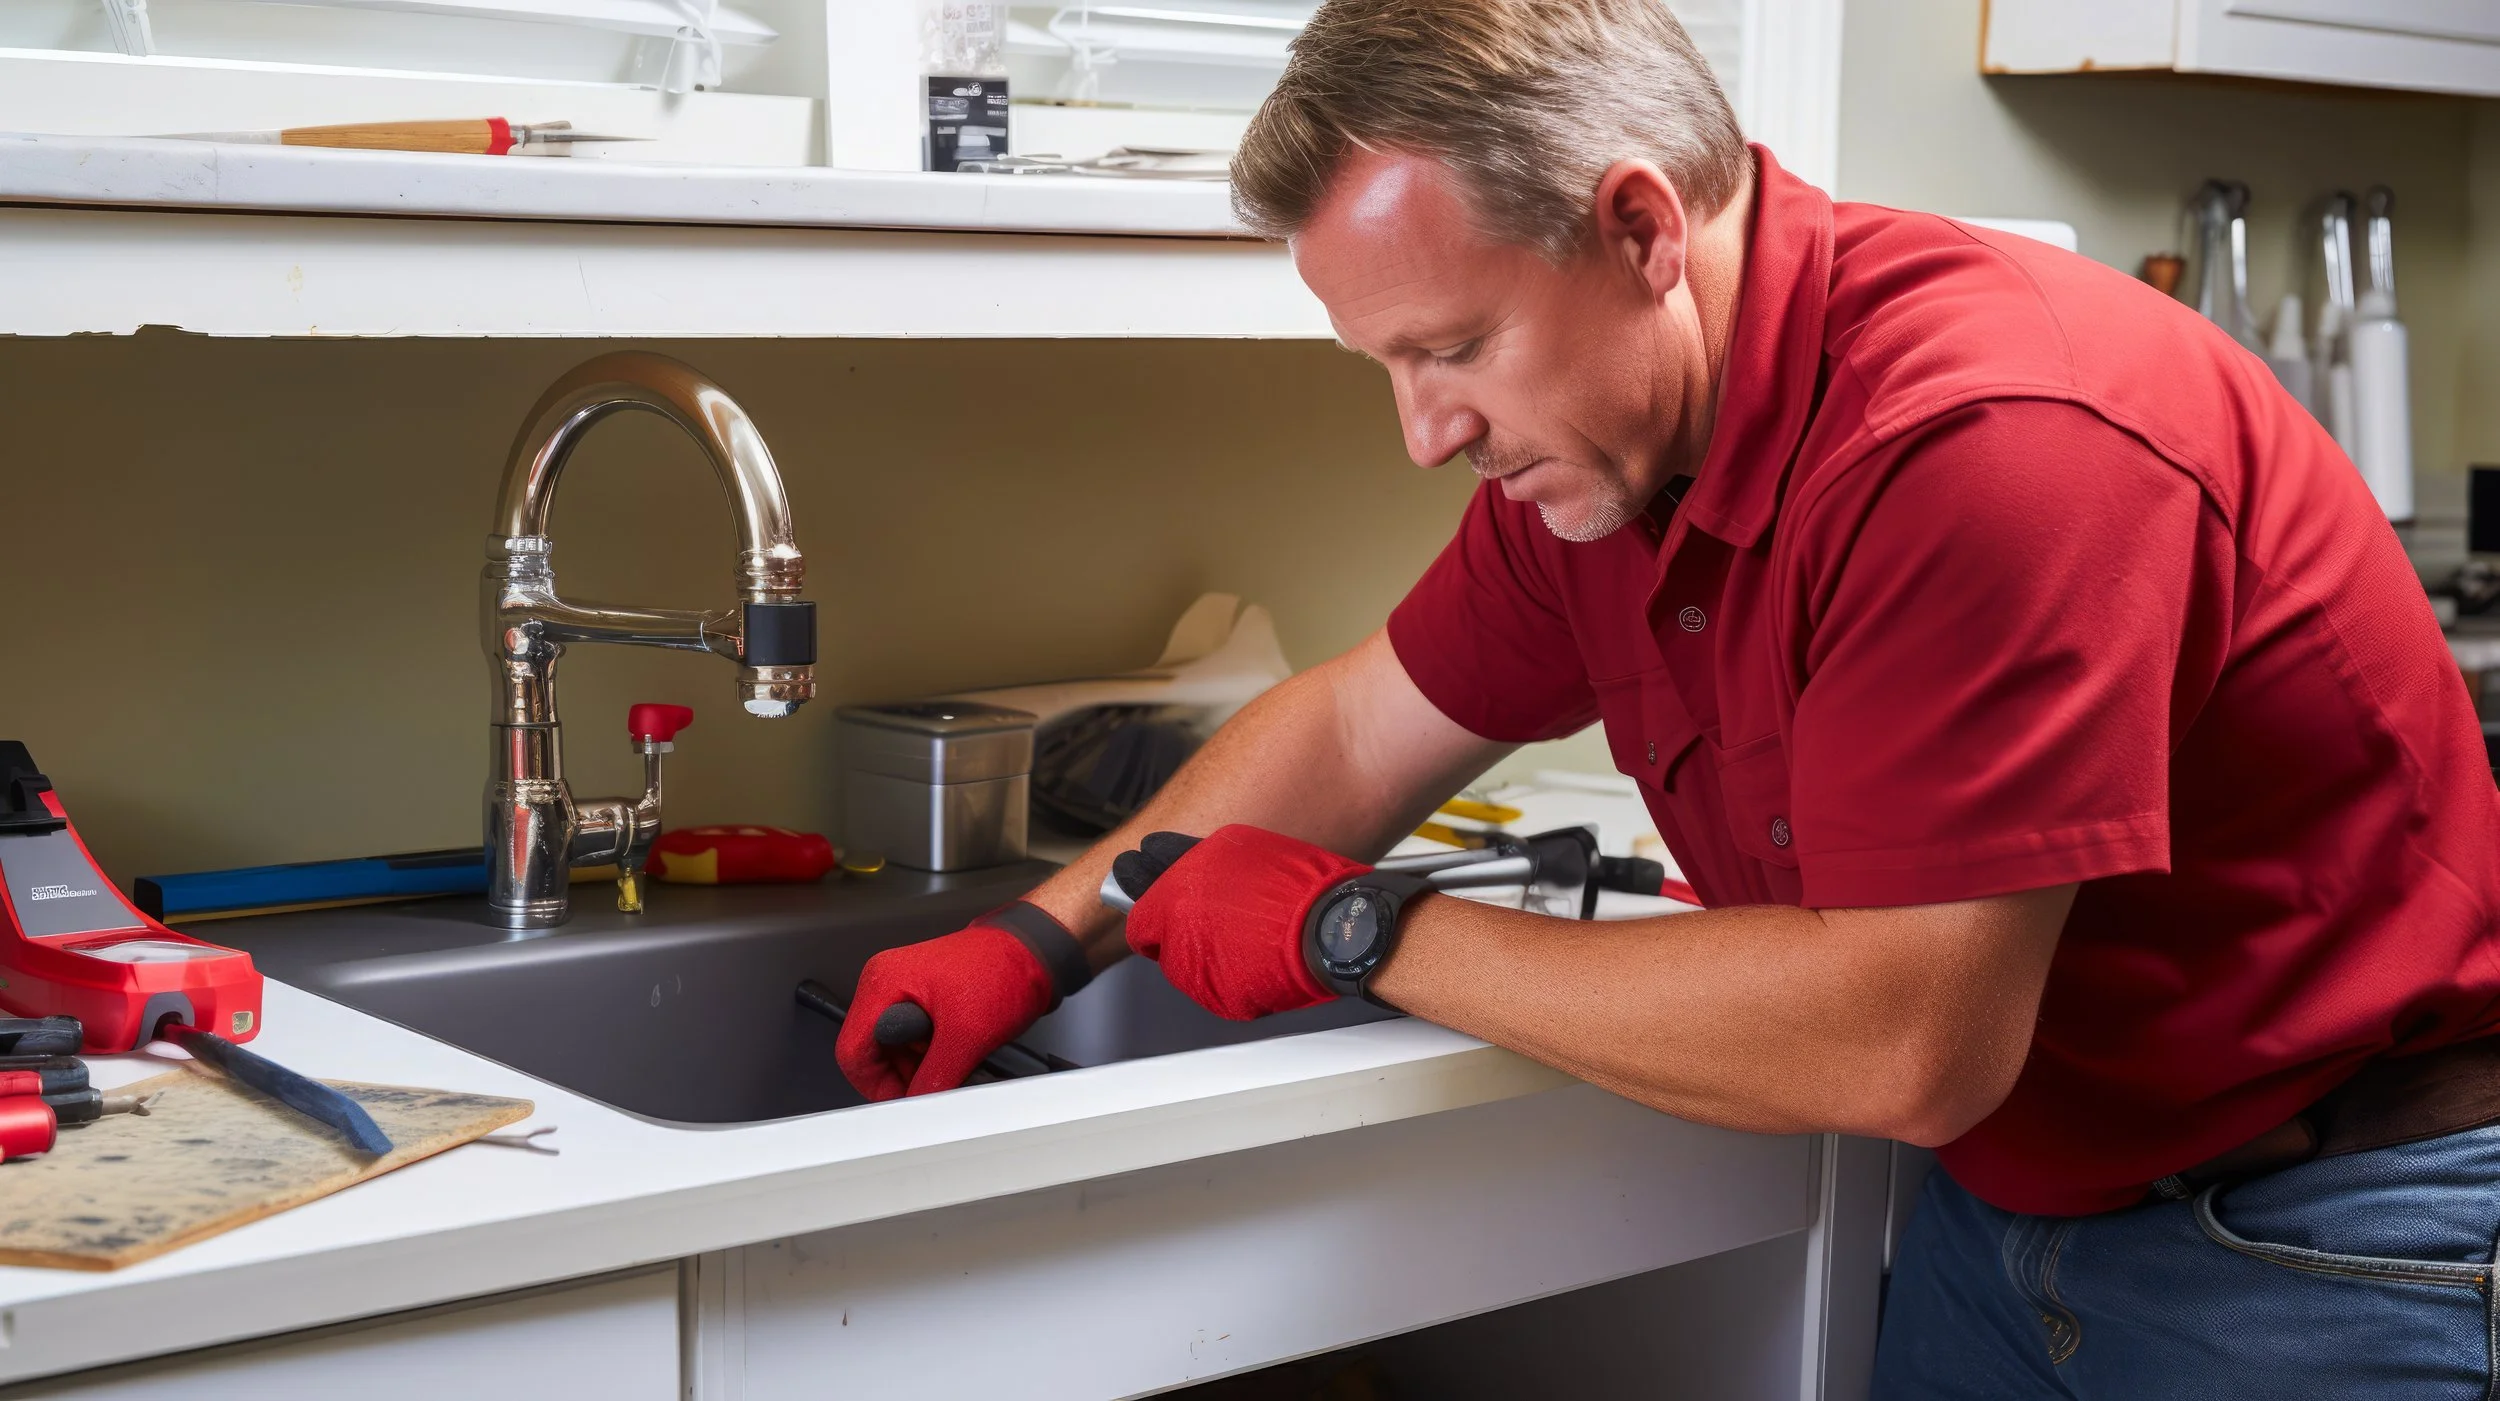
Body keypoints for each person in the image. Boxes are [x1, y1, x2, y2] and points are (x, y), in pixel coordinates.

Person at [837, 0, 2500, 1391]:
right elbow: (1359, 726)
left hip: (2336, 1243)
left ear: (1639, 229)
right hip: (2023, 1223)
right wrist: (1043, 936)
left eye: (1454, 348)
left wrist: (1360, 933)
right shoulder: (1615, 466)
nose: (1425, 432)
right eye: (1387, 367)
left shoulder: (1990, 442)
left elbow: (1904, 1041)